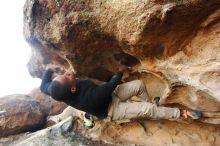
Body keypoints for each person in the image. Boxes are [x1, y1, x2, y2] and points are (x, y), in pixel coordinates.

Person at [40, 66, 202, 124]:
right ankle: (182, 113)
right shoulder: (87, 99)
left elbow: (43, 86)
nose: (68, 73)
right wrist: (119, 72)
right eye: (67, 76)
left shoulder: (56, 89)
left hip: (110, 97)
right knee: (147, 109)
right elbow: (110, 86)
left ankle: (155, 105)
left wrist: (49, 71)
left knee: (139, 85)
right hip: (111, 110)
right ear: (73, 89)